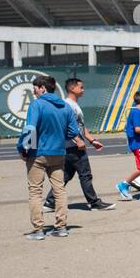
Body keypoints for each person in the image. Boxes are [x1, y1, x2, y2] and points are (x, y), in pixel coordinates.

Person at [21, 75, 84, 239]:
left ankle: (38, 230)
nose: (34, 91)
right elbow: (73, 132)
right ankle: (61, 227)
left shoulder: (37, 104)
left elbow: (30, 128)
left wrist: (23, 148)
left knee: (35, 191)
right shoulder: (65, 105)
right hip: (59, 153)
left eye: (35, 87)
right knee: (59, 190)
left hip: (38, 153)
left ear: (42, 88)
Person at [44, 76, 113, 213]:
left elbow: (80, 125)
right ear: (72, 88)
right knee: (85, 174)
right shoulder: (67, 105)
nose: (83, 90)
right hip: (74, 146)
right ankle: (94, 203)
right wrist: (78, 141)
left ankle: (50, 202)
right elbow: (65, 126)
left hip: (72, 146)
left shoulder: (74, 105)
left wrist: (92, 140)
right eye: (81, 87)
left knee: (66, 175)